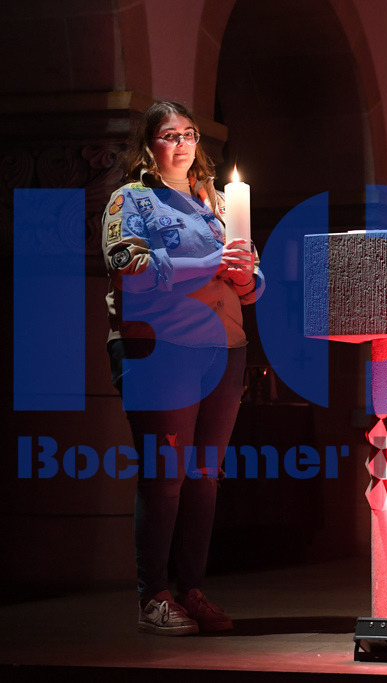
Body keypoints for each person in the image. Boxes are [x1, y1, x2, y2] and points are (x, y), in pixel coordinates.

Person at [102, 101, 265, 636]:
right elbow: (131, 269)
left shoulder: (214, 203)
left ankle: (192, 588)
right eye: (169, 135)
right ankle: (154, 596)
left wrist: (247, 278)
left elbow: (251, 280)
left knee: (204, 477)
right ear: (149, 146)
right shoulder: (132, 200)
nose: (183, 143)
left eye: (190, 133)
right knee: (165, 476)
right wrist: (209, 264)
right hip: (161, 347)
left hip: (223, 348)